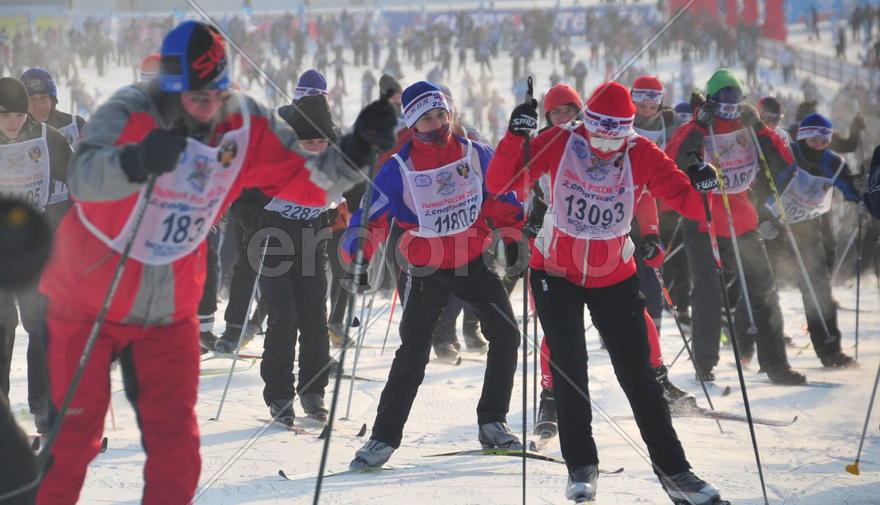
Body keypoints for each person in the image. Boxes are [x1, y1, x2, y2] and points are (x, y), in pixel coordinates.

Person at [35, 21, 396, 505]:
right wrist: (136, 161)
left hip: (168, 303)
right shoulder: (129, 110)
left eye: (217, 93)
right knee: (74, 438)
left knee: (176, 446)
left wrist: (354, 147)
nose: (208, 106)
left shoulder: (242, 121)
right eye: (193, 95)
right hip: (89, 298)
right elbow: (83, 179)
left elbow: (307, 182)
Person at [488, 81, 727, 505]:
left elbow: (689, 204)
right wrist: (514, 137)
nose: (604, 145)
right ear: (586, 124)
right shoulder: (561, 141)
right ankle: (581, 466)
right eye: (598, 133)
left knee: (639, 376)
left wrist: (707, 185)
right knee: (569, 369)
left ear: (628, 130)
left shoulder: (642, 154)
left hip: (613, 274)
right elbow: (502, 179)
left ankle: (676, 472)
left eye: (615, 136)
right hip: (554, 272)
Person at [344, 81, 524, 471]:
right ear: (413, 123)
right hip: (425, 269)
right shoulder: (398, 167)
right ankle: (383, 438)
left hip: (474, 262)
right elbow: (371, 216)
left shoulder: (476, 153)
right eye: (427, 117)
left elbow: (502, 195)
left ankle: (492, 421)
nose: (437, 122)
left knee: (507, 334)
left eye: (441, 113)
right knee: (413, 352)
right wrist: (359, 252)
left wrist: (513, 232)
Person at [666, 69, 806, 384]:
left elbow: (784, 163)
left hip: (742, 218)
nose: (729, 105)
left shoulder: (750, 126)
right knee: (708, 291)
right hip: (703, 219)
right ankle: (705, 363)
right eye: (723, 99)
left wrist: (758, 126)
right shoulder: (697, 128)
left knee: (763, 289)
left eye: (735, 98)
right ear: (712, 100)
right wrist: (699, 126)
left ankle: (775, 363)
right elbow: (672, 161)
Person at [216, 94, 340, 424]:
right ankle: (280, 394)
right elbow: (240, 205)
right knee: (283, 317)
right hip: (272, 245)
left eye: (321, 141)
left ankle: (314, 391)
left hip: (312, 244)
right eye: (307, 142)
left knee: (315, 317)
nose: (315, 148)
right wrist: (265, 224)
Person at [0, 77, 72, 438]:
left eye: (17, 114)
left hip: (33, 253)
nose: (13, 122)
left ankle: (44, 409)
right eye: (5, 116)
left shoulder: (47, 137)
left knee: (41, 329)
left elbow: (71, 184)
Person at [759, 113, 859, 368]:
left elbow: (850, 189)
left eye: (825, 137)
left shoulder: (833, 162)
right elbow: (763, 185)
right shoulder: (787, 155)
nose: (819, 142)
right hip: (776, 228)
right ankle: (767, 353)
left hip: (807, 228)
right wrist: (762, 220)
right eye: (814, 136)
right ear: (803, 135)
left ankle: (829, 349)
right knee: (764, 289)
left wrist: (864, 198)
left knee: (818, 289)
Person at [20, 68, 87, 148]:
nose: (39, 106)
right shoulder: (13, 134)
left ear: (53, 100)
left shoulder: (76, 126)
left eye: (44, 98)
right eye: (32, 99)